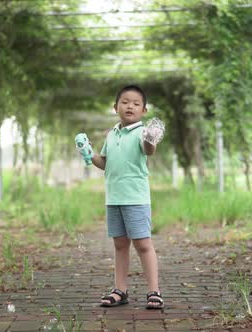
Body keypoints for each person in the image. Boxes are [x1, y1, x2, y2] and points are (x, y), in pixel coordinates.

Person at [89, 84, 164, 309]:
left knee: (143, 245)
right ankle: (120, 290)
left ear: (144, 110)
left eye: (135, 103)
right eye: (125, 102)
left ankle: (154, 291)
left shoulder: (143, 133)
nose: (129, 106)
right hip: (114, 198)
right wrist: (88, 154)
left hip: (136, 199)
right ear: (115, 107)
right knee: (120, 245)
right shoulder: (112, 134)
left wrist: (151, 138)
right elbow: (105, 162)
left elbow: (149, 149)